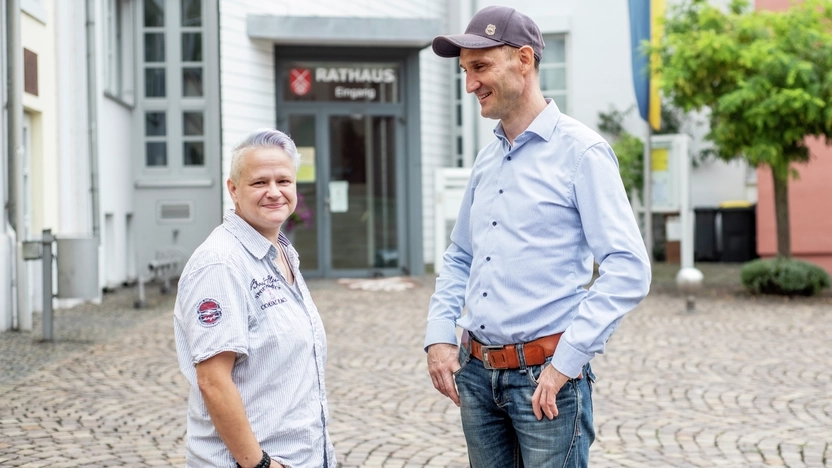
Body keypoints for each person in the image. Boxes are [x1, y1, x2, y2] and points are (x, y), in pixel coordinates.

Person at [425, 6, 651, 467]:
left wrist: (566, 362)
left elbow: (629, 269)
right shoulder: (488, 159)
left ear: (524, 60)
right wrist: (438, 338)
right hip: (477, 375)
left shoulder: (582, 152)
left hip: (546, 381)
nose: (470, 85)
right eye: (465, 72)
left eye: (480, 67)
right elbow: (460, 255)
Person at [174, 129, 335, 468]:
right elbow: (213, 381)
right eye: (259, 183)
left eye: (284, 181)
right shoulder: (221, 264)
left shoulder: (279, 252)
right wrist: (260, 464)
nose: (274, 192)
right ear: (233, 189)